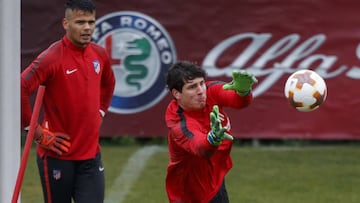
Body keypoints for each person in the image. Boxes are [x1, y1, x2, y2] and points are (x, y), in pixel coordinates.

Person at [20, 0, 115, 202]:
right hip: (56, 156)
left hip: (90, 155)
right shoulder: (51, 57)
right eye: (80, 22)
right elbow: (20, 87)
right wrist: (35, 132)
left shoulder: (99, 54)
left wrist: (101, 112)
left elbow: (108, 84)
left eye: (91, 22)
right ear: (65, 23)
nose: (87, 27)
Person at [164, 61, 257, 203]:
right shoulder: (178, 122)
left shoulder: (210, 90)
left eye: (201, 83)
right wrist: (213, 138)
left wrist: (244, 92)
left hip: (215, 178)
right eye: (192, 87)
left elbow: (237, 101)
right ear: (176, 93)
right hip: (190, 192)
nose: (201, 90)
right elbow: (200, 148)